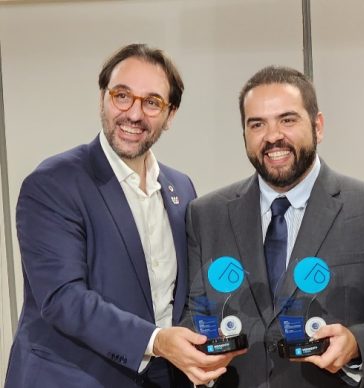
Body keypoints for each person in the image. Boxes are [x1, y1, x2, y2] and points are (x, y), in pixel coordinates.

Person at [4, 43, 239, 388]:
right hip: (72, 378)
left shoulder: (180, 187)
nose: (134, 114)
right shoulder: (53, 183)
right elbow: (63, 299)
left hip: (162, 376)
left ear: (170, 114)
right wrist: (156, 341)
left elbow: (184, 292)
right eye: (122, 96)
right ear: (103, 98)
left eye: (152, 102)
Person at [183, 66, 364, 387]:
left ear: (318, 126)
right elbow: (193, 312)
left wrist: (355, 341)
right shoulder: (206, 214)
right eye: (257, 124)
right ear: (244, 134)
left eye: (287, 119)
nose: (272, 136)